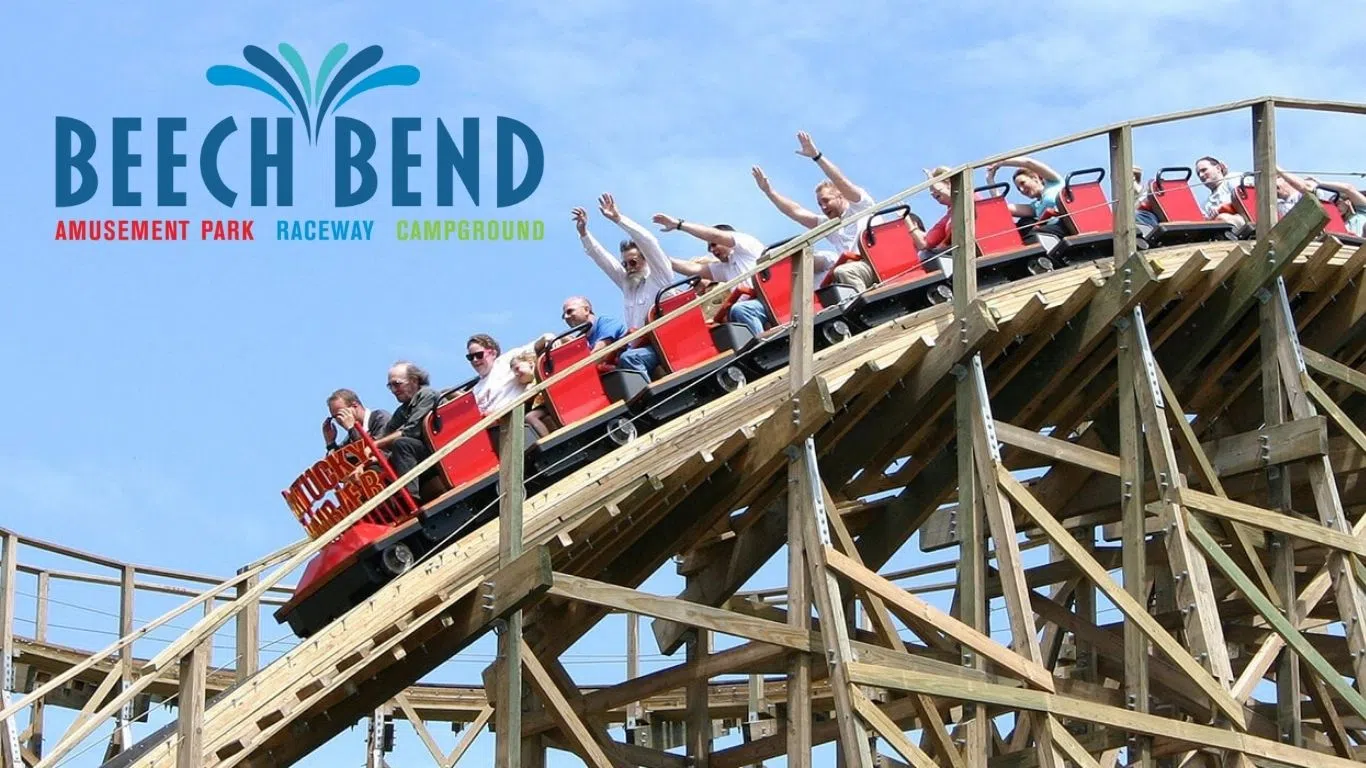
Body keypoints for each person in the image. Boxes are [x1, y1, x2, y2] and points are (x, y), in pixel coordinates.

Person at [752, 131, 876, 289]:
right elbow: (796, 212)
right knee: (823, 281)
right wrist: (770, 192)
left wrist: (817, 156)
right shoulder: (831, 224)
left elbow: (841, 181)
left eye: (826, 200)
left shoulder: (860, 205)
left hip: (874, 261)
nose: (823, 207)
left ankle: (861, 301)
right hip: (854, 269)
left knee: (843, 272)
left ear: (840, 195)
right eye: (819, 204)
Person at [573, 194, 677, 378]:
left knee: (630, 358)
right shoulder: (629, 285)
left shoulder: (660, 277)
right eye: (625, 264)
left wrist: (618, 219)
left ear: (646, 261)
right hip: (641, 346)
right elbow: (604, 260)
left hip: (666, 341)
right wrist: (584, 234)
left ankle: (651, 395)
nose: (629, 268)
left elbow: (649, 242)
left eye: (633, 262)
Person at [651, 214, 770, 337]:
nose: (711, 250)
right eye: (709, 248)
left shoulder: (746, 245)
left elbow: (715, 235)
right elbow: (691, 268)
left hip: (767, 299)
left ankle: (762, 343)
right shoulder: (725, 268)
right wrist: (651, 256)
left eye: (713, 245)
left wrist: (678, 224)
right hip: (750, 308)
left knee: (741, 310)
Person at [372, 362, 439, 500]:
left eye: (397, 384)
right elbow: (385, 434)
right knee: (377, 466)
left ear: (414, 380)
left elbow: (411, 431)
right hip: (419, 456)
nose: (393, 390)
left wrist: (376, 445)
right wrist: (369, 456)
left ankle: (410, 497)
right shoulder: (402, 410)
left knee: (403, 444)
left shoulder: (427, 395)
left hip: (438, 451)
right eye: (390, 386)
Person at [466, 332, 554, 417]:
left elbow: (537, 345)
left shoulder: (505, 361)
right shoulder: (475, 389)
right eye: (470, 357)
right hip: (489, 424)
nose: (475, 360)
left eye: (479, 355)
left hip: (514, 418)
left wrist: (547, 338)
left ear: (493, 353)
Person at [986, 155, 1065, 239]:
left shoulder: (1054, 182)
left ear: (1034, 178)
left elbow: (1028, 163)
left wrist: (1000, 162)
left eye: (1023, 183)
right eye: (1018, 189)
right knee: (1024, 224)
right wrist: (990, 180)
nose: (1022, 189)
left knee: (1035, 234)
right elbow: (1003, 207)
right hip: (1053, 232)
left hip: (1065, 222)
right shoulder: (1035, 207)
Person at [1278, 169, 1366, 236]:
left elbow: (1348, 188)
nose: (1336, 207)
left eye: (1338, 203)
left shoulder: (1362, 212)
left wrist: (1319, 183)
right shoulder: (1338, 224)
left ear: (1347, 202)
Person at [323, 389, 390, 454]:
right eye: (335, 417)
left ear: (355, 405)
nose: (339, 420)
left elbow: (372, 451)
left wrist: (352, 429)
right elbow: (338, 460)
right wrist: (330, 443)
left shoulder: (380, 418)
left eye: (341, 414)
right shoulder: (349, 439)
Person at [509, 348, 556, 437]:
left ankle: (547, 439)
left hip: (550, 402)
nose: (516, 374)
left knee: (530, 417)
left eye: (517, 368)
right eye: (514, 373)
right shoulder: (529, 384)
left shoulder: (541, 371)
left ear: (530, 363)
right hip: (542, 405)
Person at [557, 296, 627, 352]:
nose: (566, 317)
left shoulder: (605, 322)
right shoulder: (583, 338)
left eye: (569, 311)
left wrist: (574, 345)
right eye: (563, 316)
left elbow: (599, 353)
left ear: (586, 310)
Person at [1195, 155, 1247, 228]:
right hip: (1220, 230)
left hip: (1245, 221)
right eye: (1198, 174)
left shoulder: (1232, 179)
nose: (1201, 175)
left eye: (1204, 170)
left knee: (1222, 218)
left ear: (1218, 168)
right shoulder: (1206, 205)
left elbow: (1247, 199)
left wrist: (1222, 208)